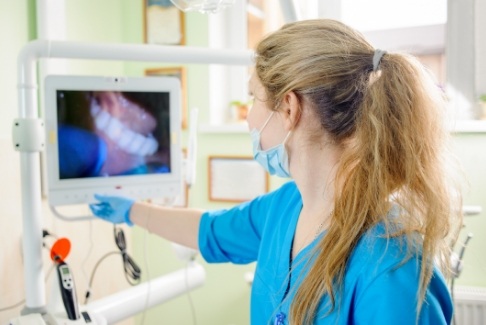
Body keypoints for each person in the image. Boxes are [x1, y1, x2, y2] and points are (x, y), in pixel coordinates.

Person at [89, 19, 464, 324]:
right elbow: (210, 231)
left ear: (288, 108)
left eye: (253, 97)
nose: (250, 116)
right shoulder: (287, 208)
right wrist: (131, 210)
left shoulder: (392, 264)